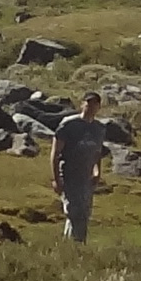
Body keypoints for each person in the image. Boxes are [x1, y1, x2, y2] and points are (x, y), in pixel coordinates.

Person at [50, 91, 117, 243]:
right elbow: (55, 152)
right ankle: (77, 246)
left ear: (99, 107)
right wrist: (56, 179)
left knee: (84, 213)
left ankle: (70, 246)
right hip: (69, 174)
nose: (91, 107)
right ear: (82, 104)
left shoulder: (99, 128)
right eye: (88, 103)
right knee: (75, 212)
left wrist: (97, 172)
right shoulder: (69, 124)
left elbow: (97, 152)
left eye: (95, 104)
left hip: (86, 177)